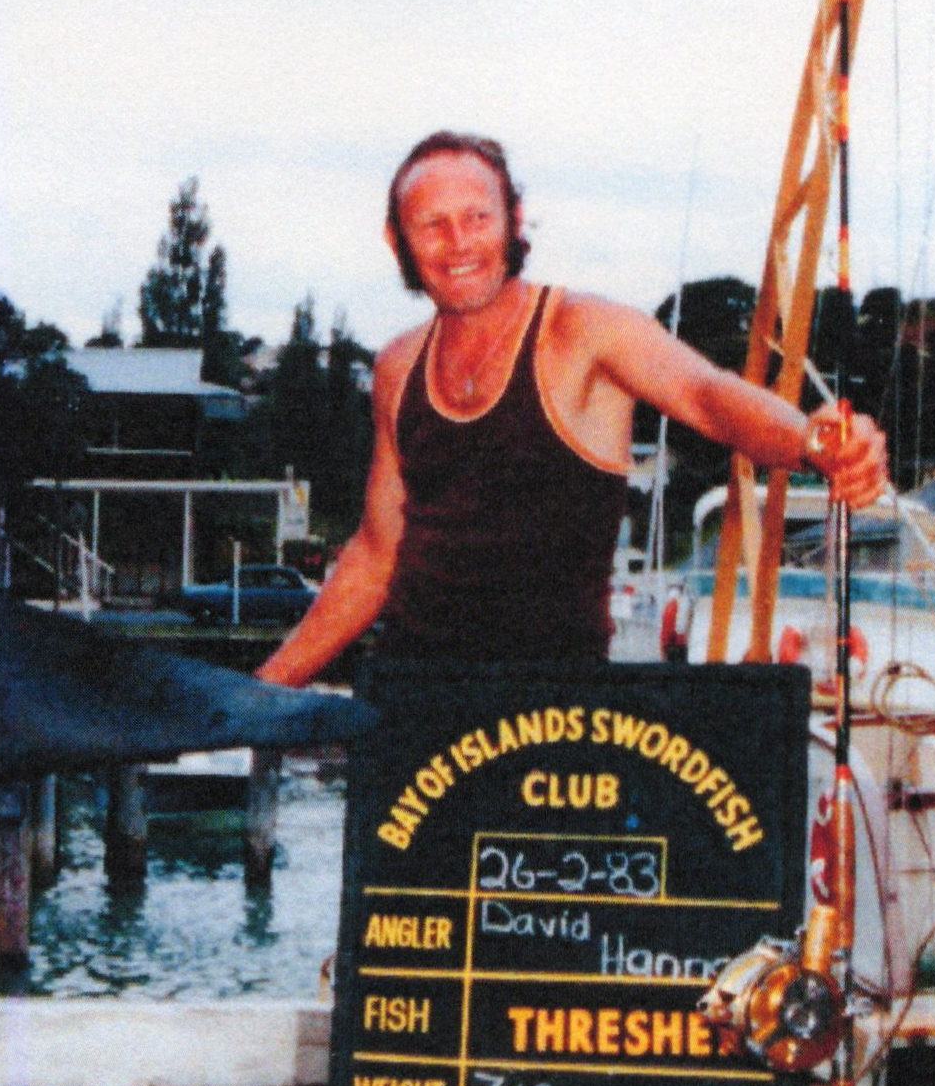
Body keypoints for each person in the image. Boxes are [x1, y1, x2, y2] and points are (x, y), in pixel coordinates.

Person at [258, 130, 887, 681]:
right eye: (432, 224)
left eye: (477, 218)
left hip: (557, 715)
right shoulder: (397, 368)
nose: (458, 243)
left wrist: (813, 441)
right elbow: (375, 553)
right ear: (399, 239)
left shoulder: (585, 330)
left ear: (515, 218)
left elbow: (708, 394)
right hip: (414, 705)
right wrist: (260, 693)